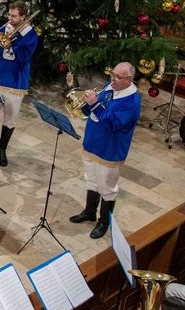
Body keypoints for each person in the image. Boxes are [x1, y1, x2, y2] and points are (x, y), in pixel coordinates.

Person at [69, 62, 141, 239]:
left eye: (118, 77)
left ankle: (104, 222)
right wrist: (87, 102)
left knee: (107, 187)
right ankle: (89, 212)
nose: (112, 79)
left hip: (109, 150)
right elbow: (93, 110)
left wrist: (94, 104)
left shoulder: (131, 101)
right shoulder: (110, 87)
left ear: (129, 80)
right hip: (93, 143)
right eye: (112, 74)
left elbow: (114, 124)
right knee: (91, 180)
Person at [0, 1, 38, 167]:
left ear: (23, 17)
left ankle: (2, 150)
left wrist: (11, 42)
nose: (10, 18)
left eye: (14, 16)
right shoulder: (5, 27)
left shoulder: (30, 35)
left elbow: (23, 58)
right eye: (9, 14)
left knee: (9, 119)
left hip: (15, 83)